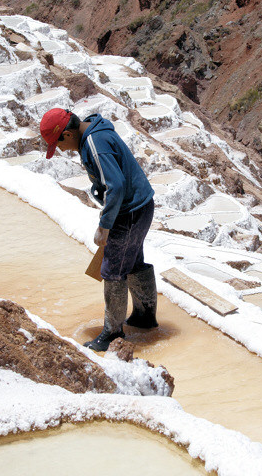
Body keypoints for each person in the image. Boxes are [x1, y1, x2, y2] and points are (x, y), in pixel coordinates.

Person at [41, 107, 158, 352]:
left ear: (66, 135)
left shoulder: (95, 142)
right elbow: (110, 182)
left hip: (130, 211)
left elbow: (115, 186)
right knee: (133, 262)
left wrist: (105, 226)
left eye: (59, 145)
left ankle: (112, 334)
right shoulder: (94, 134)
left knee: (113, 270)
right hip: (140, 205)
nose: (62, 150)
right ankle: (144, 318)